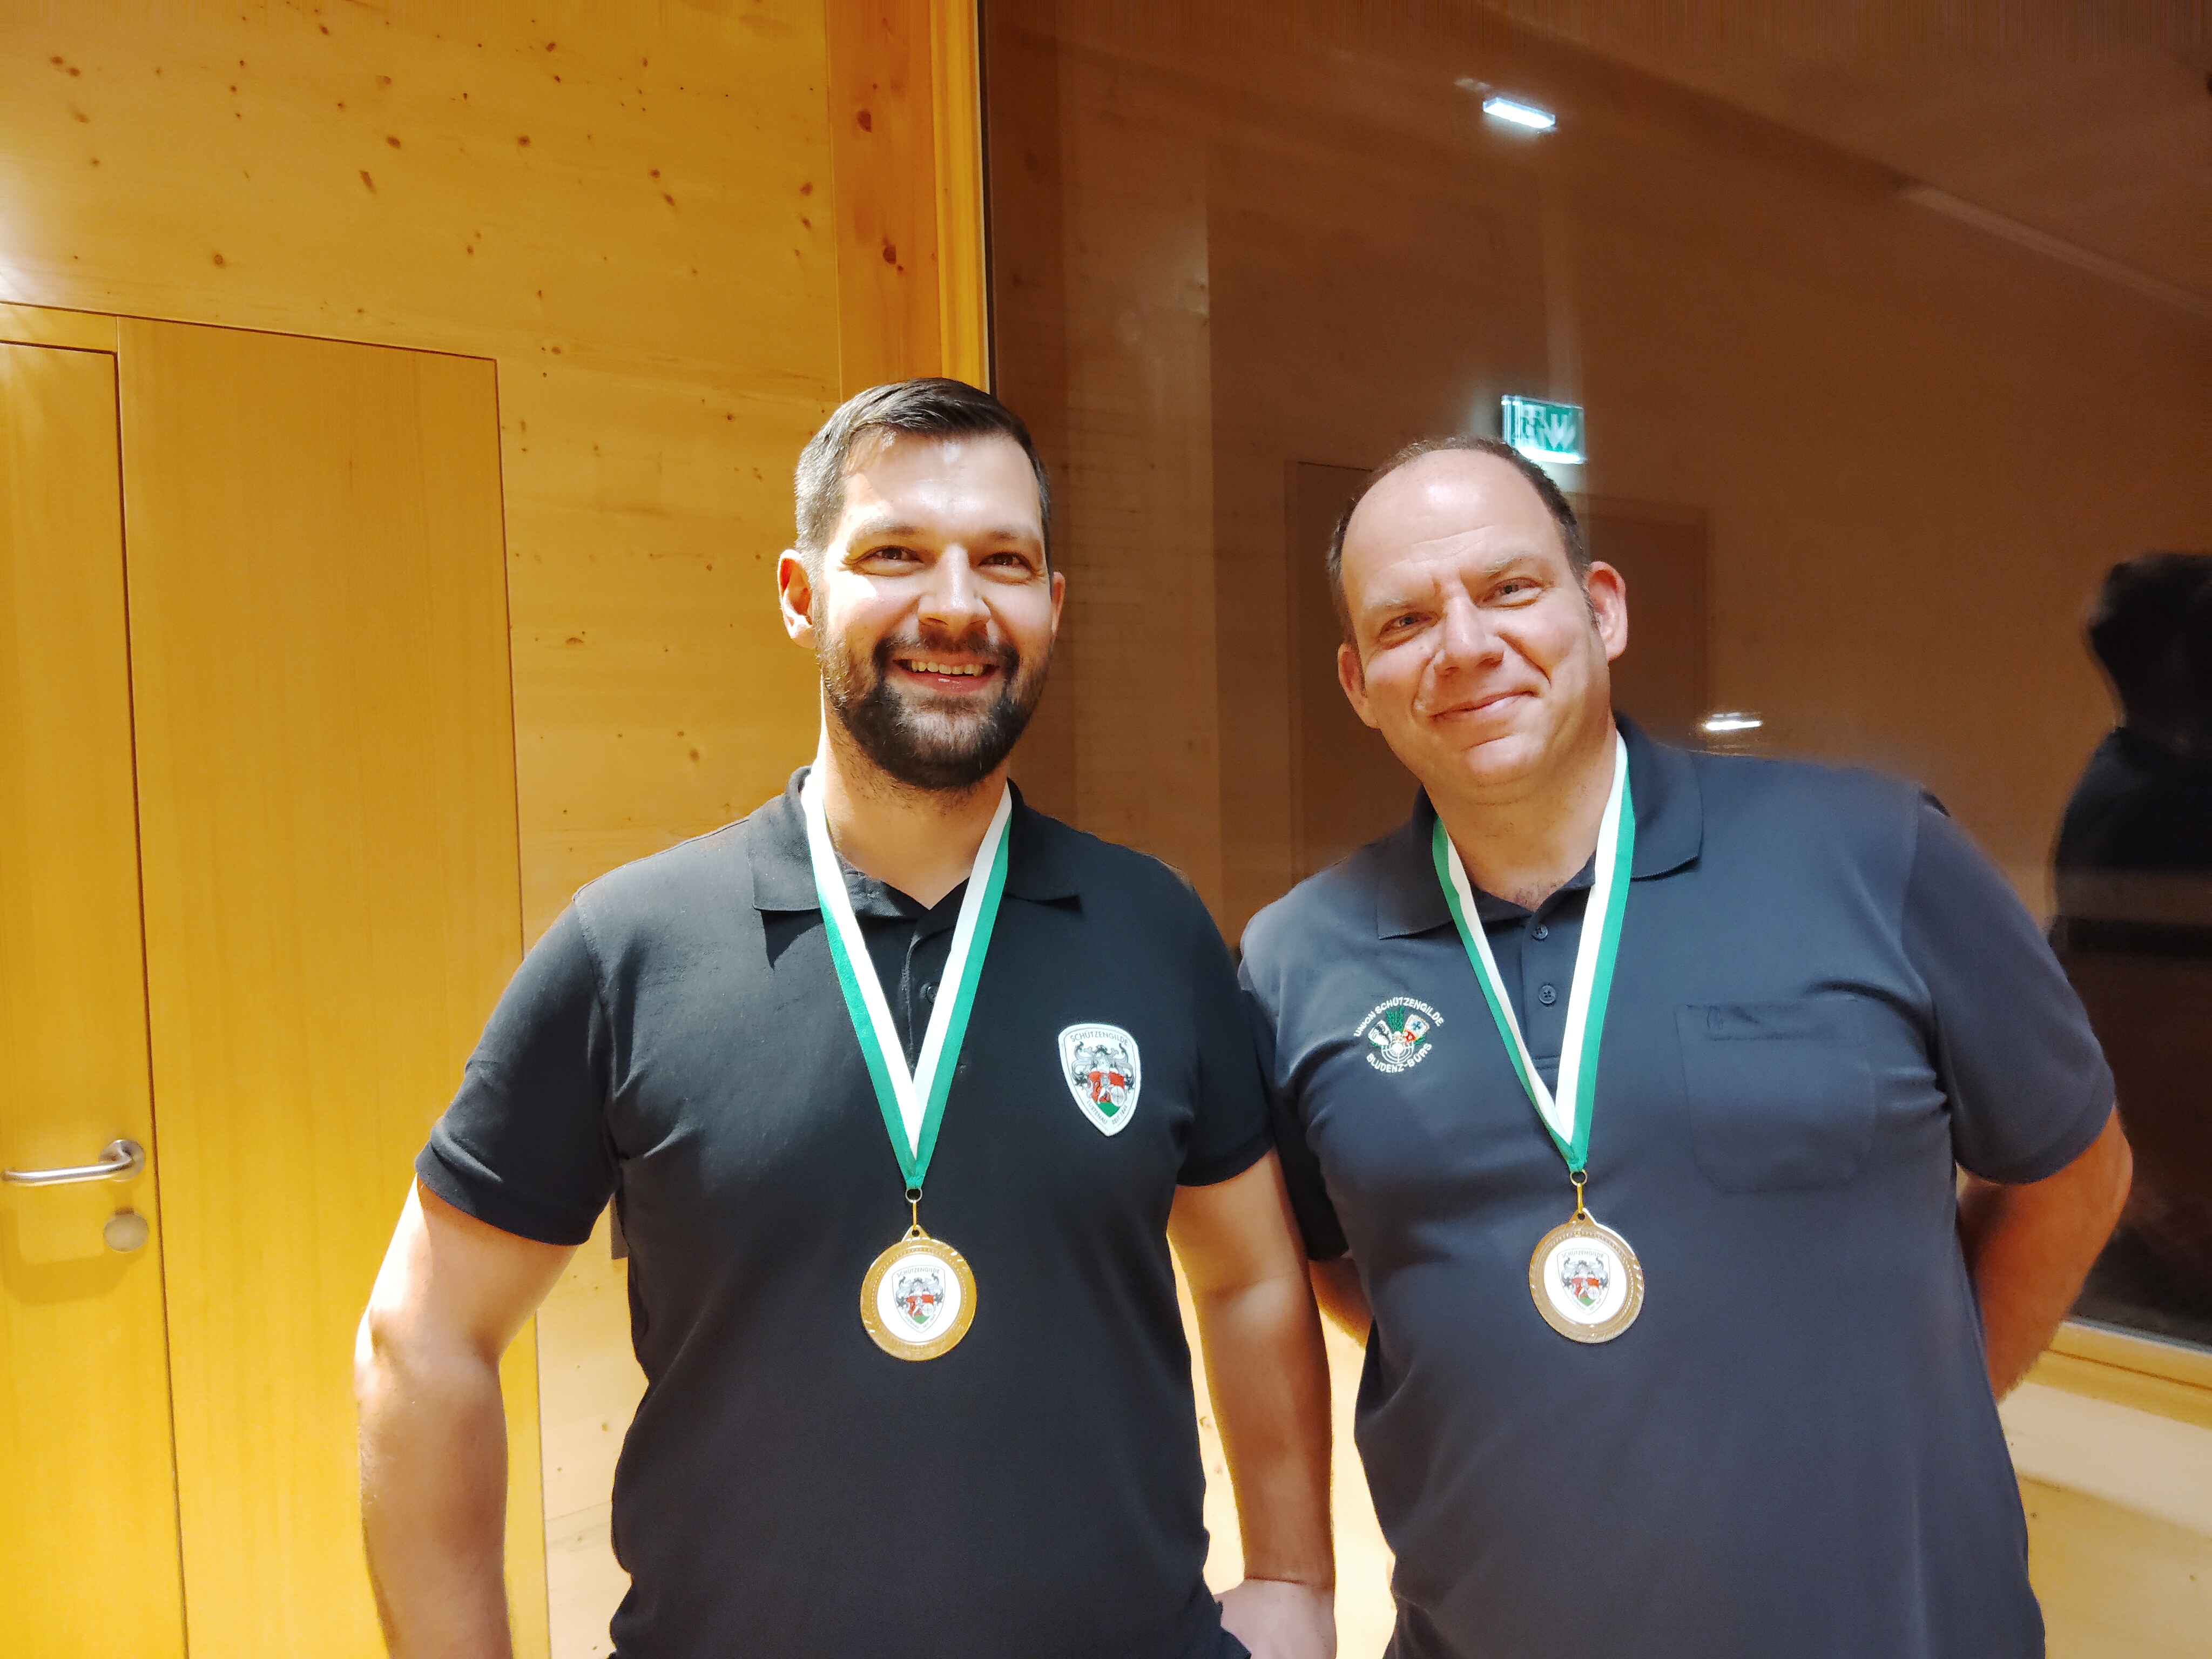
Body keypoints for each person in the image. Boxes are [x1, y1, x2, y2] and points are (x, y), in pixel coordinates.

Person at [355, 379, 1335, 1658]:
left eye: (1001, 560)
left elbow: (1251, 1278)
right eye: (893, 554)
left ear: (1053, 604)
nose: (954, 603)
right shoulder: (630, 947)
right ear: (798, 592)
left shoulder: (1155, 929)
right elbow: (426, 1336)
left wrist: (1294, 1581)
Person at [1239, 434, 2133, 1658]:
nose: (1464, 644)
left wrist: (1918, 1411)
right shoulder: (1296, 961)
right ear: (1357, 682)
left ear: (1600, 610)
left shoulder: (1874, 854)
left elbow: (2073, 1171)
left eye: (1509, 588)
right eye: (1404, 621)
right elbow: (1341, 1266)